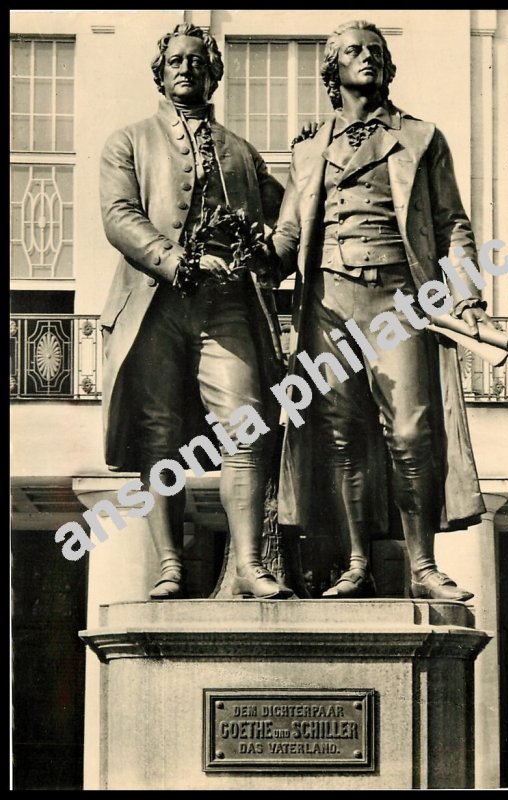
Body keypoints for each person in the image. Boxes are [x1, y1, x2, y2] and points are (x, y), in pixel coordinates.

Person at [273, 19, 495, 600]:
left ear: (388, 66)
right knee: (341, 434)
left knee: (412, 430)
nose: (367, 57)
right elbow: (290, 233)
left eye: (375, 51)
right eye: (353, 51)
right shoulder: (308, 149)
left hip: (398, 301)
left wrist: (468, 294)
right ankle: (356, 563)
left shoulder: (421, 138)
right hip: (328, 302)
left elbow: (451, 223)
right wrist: (254, 258)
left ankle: (422, 565)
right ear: (333, 69)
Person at [99, 23, 291, 600]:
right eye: (176, 61)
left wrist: (308, 165)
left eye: (198, 62)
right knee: (158, 434)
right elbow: (119, 215)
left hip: (226, 307)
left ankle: (249, 565)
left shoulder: (242, 152)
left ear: (214, 75)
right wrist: (177, 260)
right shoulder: (128, 141)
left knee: (247, 425)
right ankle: (169, 564)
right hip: (155, 303)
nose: (187, 69)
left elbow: (287, 223)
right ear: (160, 74)